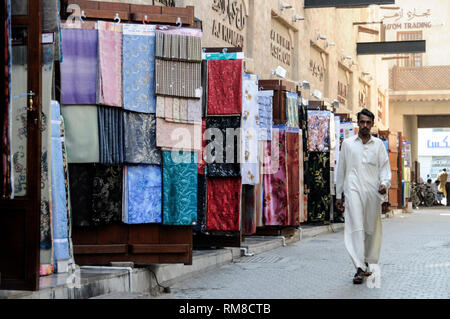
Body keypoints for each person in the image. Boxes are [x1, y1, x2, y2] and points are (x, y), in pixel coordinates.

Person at [336, 108, 391, 285]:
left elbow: (384, 169)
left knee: (370, 229)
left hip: (372, 192)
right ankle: (358, 268)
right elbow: (341, 169)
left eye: (368, 122)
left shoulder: (379, 145)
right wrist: (338, 194)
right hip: (353, 190)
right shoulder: (348, 144)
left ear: (372, 124)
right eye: (362, 122)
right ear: (358, 123)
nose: (365, 125)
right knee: (356, 226)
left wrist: (384, 184)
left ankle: (367, 261)